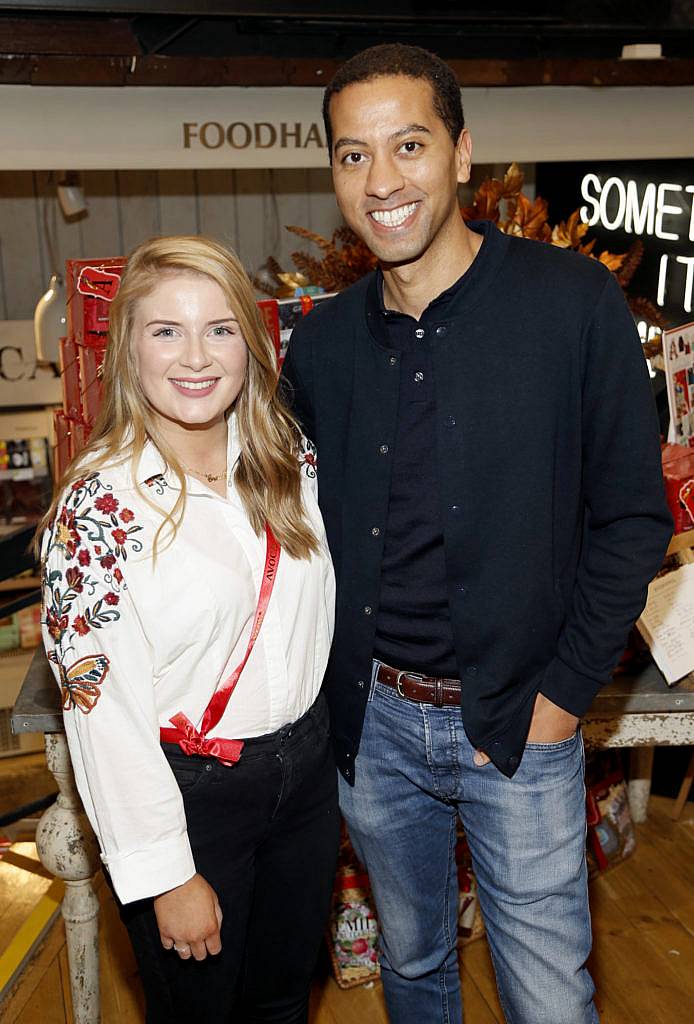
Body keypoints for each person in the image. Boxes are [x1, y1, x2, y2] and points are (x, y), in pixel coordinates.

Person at [281, 43, 672, 1024]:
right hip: (372, 731)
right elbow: (281, 516)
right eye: (352, 155)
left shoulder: (571, 304)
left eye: (407, 145)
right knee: (412, 972)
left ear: (461, 153)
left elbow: (632, 517)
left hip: (519, 724)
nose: (381, 180)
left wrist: (561, 696)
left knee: (546, 998)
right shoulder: (322, 342)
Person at [40, 236, 339, 1024]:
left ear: (251, 341)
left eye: (220, 328)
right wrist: (167, 873)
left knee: (281, 1005)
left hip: (304, 776)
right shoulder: (97, 510)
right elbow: (102, 715)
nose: (195, 356)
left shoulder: (287, 459)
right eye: (165, 330)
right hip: (189, 797)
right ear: (127, 351)